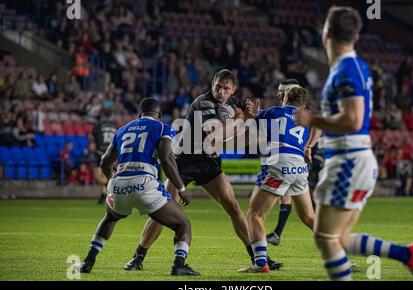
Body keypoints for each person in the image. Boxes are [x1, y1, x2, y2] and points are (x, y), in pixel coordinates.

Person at [294, 6, 413, 281]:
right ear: (355, 36)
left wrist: (313, 120)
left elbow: (352, 120)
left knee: (325, 238)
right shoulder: (356, 67)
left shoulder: (346, 69)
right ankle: (408, 255)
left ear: (326, 32)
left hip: (348, 161)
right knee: (338, 238)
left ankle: (407, 255)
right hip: (355, 160)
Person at [123, 69, 282, 271]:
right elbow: (214, 133)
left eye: (226, 89)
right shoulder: (204, 103)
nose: (221, 92)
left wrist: (253, 114)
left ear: (233, 90)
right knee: (162, 209)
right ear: (212, 84)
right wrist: (240, 119)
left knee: (233, 207)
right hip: (184, 161)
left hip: (209, 162)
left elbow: (250, 111)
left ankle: (259, 258)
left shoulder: (234, 103)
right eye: (218, 87)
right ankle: (137, 258)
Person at [76, 98, 200, 276]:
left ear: (140, 114)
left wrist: (113, 179)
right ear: (159, 115)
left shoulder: (122, 129)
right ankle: (179, 264)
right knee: (183, 224)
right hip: (144, 183)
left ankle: (88, 261)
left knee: (110, 217)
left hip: (119, 184)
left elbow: (104, 162)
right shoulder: (163, 128)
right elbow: (166, 158)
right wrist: (181, 188)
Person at [239, 85, 319, 273]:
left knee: (255, 215)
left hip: (279, 162)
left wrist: (254, 114)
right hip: (299, 166)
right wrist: (309, 147)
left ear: (284, 98)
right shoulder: (305, 119)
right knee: (309, 217)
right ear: (303, 104)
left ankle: (260, 263)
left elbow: (254, 124)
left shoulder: (275, 111)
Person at [266, 79, 316, 246]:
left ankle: (260, 258)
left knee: (255, 214)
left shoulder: (295, 110)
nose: (279, 94)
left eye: (282, 91)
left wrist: (308, 146)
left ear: (289, 93)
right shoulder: (286, 111)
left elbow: (318, 126)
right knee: (308, 216)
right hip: (290, 162)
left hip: (287, 159)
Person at [92, 100, 117, 204]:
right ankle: (104, 195)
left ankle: (110, 186)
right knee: (104, 174)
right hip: (111, 152)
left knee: (98, 175)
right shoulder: (114, 126)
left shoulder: (98, 125)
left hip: (100, 151)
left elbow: (92, 138)